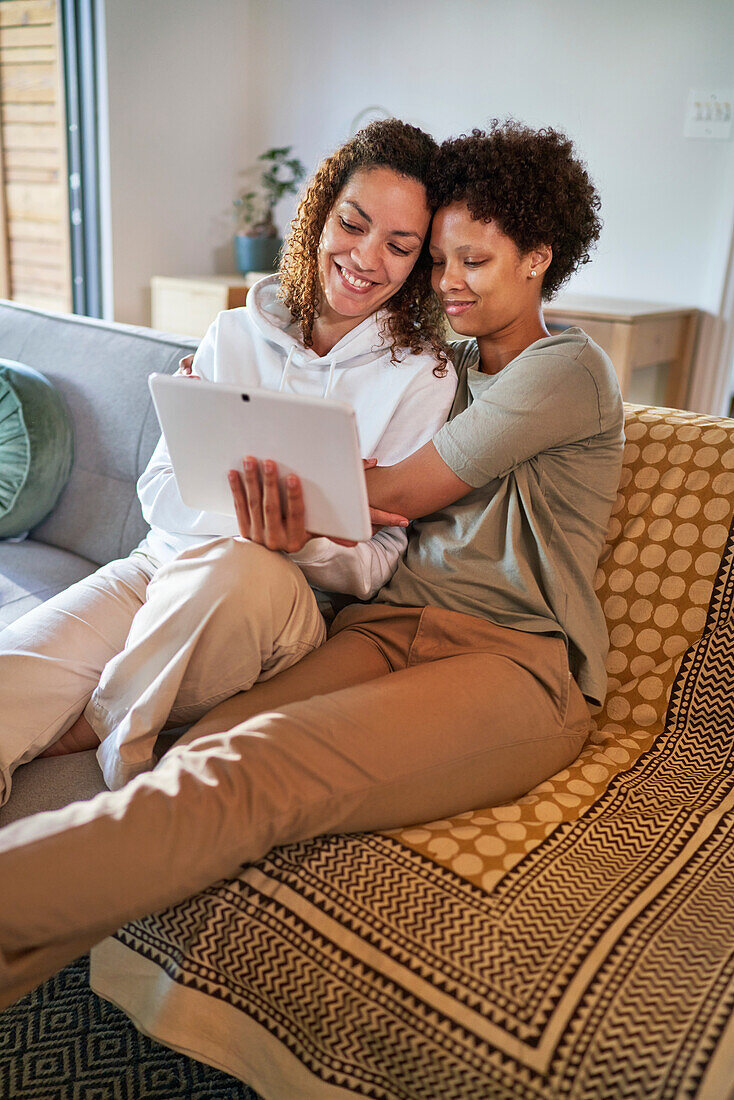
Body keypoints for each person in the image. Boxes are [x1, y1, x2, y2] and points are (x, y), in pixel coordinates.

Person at [0, 120, 624, 1010]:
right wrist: (210, 412)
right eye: (437, 260)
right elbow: (357, 369)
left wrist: (236, 438)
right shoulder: (441, 358)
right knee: (205, 744)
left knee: (249, 771)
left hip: (512, 658)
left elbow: (398, 490)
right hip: (379, 632)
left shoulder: (565, 368)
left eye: (471, 262)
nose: (446, 281)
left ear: (538, 260)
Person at [0, 119, 456, 800]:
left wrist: (302, 544)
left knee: (242, 565)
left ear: (419, 261)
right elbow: (157, 492)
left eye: (399, 245)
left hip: (281, 603)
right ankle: (100, 714)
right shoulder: (235, 332)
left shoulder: (423, 377)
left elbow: (375, 562)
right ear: (320, 215)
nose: (367, 257)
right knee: (13, 676)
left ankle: (98, 724)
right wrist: (243, 518)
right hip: (159, 569)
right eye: (353, 224)